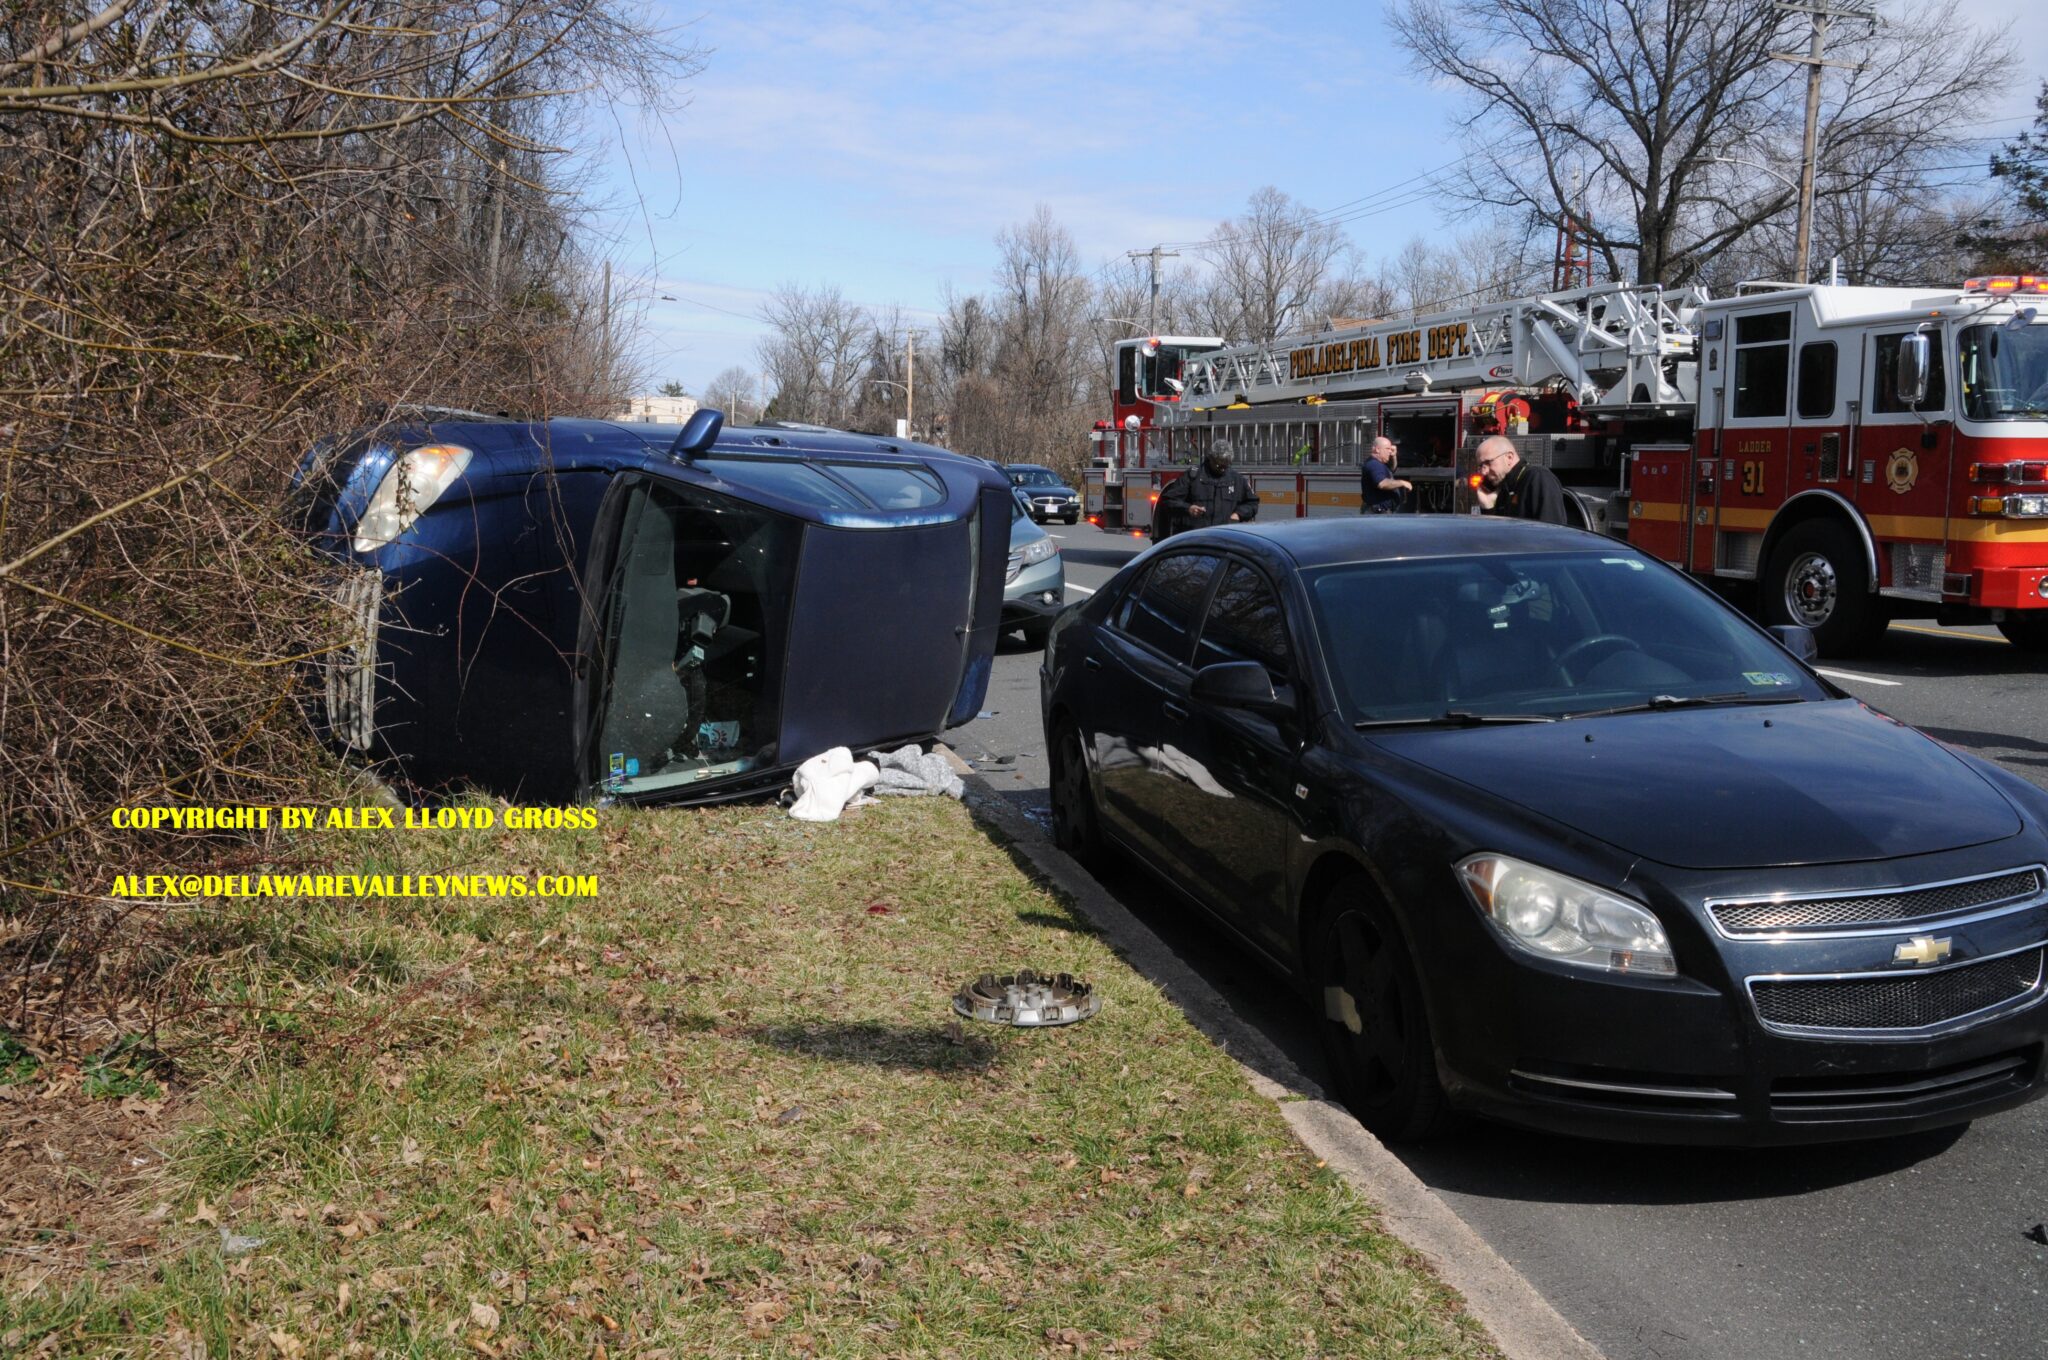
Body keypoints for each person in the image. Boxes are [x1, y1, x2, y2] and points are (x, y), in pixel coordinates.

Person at [1154, 439, 1259, 540]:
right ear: (1210, 459)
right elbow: (1169, 500)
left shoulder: (1236, 480)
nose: (1222, 469)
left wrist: (1238, 514)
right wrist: (1188, 508)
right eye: (1219, 465)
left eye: (1226, 465)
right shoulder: (1193, 476)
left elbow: (1252, 503)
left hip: (1225, 540)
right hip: (1195, 540)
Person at [1471, 435, 1569, 524]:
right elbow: (1497, 536)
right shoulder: (1504, 488)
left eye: (1488, 462)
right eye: (1481, 466)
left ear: (1509, 457)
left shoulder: (1538, 479)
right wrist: (1488, 508)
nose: (1483, 472)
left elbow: (1552, 534)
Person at [1359, 435, 1412, 514]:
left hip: (1380, 512)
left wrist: (1393, 456)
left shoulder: (1379, 464)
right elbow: (1382, 483)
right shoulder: (1374, 464)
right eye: (1387, 449)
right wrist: (1402, 482)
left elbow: (1391, 470)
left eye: (1391, 449)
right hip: (1377, 513)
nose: (1390, 451)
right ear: (1377, 449)